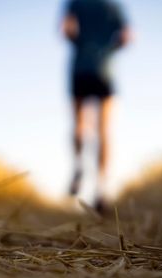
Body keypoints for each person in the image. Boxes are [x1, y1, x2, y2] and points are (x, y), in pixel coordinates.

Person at [61, 0, 130, 214]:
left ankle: (79, 165)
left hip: (80, 68)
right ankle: (101, 189)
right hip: (105, 69)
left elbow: (67, 29)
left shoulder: (75, 3)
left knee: (79, 124)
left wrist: (82, 44)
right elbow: (127, 37)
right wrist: (107, 49)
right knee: (104, 130)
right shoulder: (114, 7)